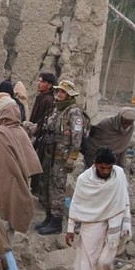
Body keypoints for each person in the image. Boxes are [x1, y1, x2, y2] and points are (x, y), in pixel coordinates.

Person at [66, 147, 131, 270]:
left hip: (114, 224)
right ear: (95, 165)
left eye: (109, 168)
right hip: (91, 223)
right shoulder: (84, 180)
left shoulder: (119, 175)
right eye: (102, 167)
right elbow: (76, 204)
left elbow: (124, 199)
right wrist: (70, 228)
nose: (106, 171)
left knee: (105, 261)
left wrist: (126, 224)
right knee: (86, 261)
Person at [0, 96, 43, 233]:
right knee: (10, 220)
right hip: (20, 183)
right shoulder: (20, 131)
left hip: (2, 184)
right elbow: (30, 161)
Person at [36, 79, 85, 235]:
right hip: (49, 155)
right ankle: (49, 217)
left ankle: (56, 222)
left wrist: (72, 158)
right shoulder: (57, 110)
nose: (59, 94)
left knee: (57, 188)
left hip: (61, 158)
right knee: (46, 186)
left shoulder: (74, 112)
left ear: (69, 95)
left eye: (63, 92)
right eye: (58, 91)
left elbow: (77, 138)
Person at [29, 72, 57, 194]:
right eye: (39, 81)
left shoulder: (47, 100)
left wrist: (35, 134)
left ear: (49, 85)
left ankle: (36, 191)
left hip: (40, 139)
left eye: (42, 81)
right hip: (35, 135)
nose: (38, 83)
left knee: (37, 165)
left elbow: (43, 120)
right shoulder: (41, 97)